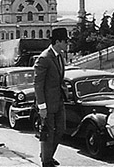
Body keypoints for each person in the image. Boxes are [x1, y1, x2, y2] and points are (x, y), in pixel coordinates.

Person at [34, 28, 69, 167]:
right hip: (47, 103)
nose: (67, 44)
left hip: (59, 100)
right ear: (58, 41)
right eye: (65, 41)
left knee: (60, 130)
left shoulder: (59, 56)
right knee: (48, 133)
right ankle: (46, 160)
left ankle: (47, 155)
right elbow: (38, 84)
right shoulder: (44, 58)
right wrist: (42, 106)